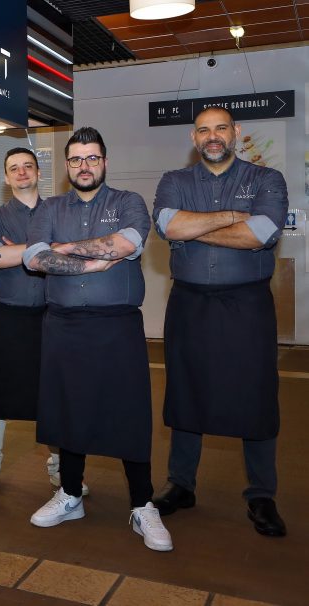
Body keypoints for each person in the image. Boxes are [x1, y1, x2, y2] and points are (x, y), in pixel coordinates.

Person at [22, 127, 172, 551]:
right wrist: (91, 263)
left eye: (91, 158)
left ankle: (143, 504)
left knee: (128, 413)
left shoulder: (128, 202)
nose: (83, 166)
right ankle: (70, 494)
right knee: (68, 413)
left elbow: (126, 243)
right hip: (63, 326)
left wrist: (64, 249)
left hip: (116, 327)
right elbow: (35, 258)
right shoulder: (49, 207)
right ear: (67, 165)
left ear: (104, 162)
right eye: (75, 159)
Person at [151, 106, 288, 537]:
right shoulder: (174, 181)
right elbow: (167, 226)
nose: (213, 136)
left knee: (257, 395)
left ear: (236, 132)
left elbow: (262, 233)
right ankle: (181, 484)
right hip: (189, 305)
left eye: (221, 129)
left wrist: (190, 227)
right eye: (204, 130)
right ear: (194, 138)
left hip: (248, 307)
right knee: (187, 393)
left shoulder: (266, 179)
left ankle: (262, 494)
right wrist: (232, 217)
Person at [0, 148, 88, 496]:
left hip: (51, 315)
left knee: (54, 391)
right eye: (14, 168)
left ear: (39, 172)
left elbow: (76, 251)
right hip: (6, 314)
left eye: (27, 166)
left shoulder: (59, 210)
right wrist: (47, 248)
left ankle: (60, 467)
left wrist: (21, 251)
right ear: (6, 178)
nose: (21, 172)